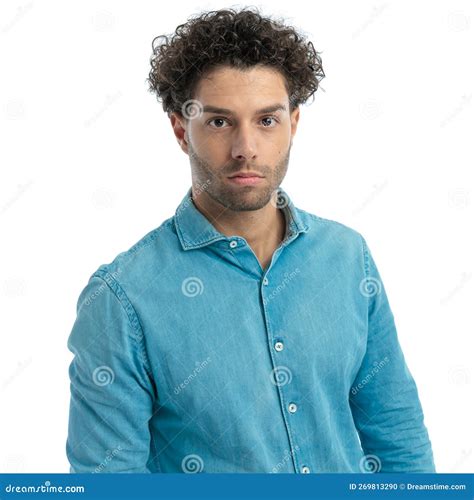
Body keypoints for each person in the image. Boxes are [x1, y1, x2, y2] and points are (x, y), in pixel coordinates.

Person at [66, 7, 435, 473]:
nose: (246, 148)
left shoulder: (347, 257)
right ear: (182, 129)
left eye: (266, 120)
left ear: (293, 123)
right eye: (220, 122)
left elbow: (398, 435)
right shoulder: (122, 299)